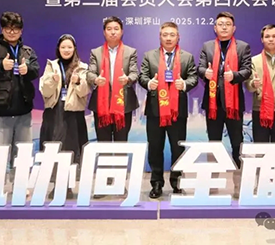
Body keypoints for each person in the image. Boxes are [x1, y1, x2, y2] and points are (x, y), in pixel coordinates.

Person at [0, 11, 40, 196]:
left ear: (21, 31)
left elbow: (36, 70)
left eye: (15, 29)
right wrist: (0, 65)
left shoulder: (27, 51)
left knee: (22, 152)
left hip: (23, 111)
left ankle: (20, 186)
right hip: (0, 111)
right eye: (8, 28)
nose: (12, 32)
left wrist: (27, 69)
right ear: (2, 29)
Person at [139, 22, 198, 199]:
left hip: (177, 111)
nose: (168, 38)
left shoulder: (187, 57)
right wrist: (149, 83)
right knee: (155, 148)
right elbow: (142, 76)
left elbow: (193, 77)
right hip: (155, 110)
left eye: (172, 34)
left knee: (177, 148)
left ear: (178, 37)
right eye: (165, 34)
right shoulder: (149, 56)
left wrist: (184, 84)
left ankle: (177, 182)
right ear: (160, 37)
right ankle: (156, 183)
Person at [198, 12, 252, 193]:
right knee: (214, 143)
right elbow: (200, 67)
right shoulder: (207, 46)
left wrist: (234, 76)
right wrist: (205, 72)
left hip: (233, 104)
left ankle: (239, 183)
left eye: (227, 24)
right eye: (220, 24)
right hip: (213, 104)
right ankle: (212, 183)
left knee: (237, 143)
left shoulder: (243, 47)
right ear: (215, 28)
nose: (224, 27)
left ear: (233, 28)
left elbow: (247, 70)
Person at [39, 34, 90, 199]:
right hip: (54, 112)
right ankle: (56, 184)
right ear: (58, 49)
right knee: (54, 146)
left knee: (72, 148)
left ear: (74, 49)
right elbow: (45, 91)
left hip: (74, 113)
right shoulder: (51, 65)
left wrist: (77, 82)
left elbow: (84, 92)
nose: (66, 50)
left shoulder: (82, 67)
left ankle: (68, 185)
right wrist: (52, 81)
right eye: (63, 47)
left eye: (69, 47)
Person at [86, 16, 139, 142]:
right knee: (103, 143)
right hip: (101, 103)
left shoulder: (130, 52)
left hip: (124, 103)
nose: (113, 32)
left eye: (116, 29)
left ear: (122, 31)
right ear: (104, 32)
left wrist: (127, 79)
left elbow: (135, 73)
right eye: (109, 29)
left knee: (121, 142)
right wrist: (96, 80)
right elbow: (89, 73)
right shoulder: (96, 52)